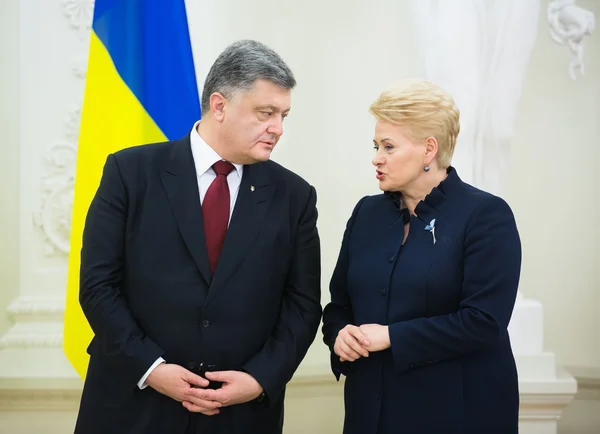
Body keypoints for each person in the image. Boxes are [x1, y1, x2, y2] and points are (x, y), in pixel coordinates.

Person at [74, 40, 322, 434]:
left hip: (240, 416)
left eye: (283, 115)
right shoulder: (129, 173)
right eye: (265, 113)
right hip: (132, 406)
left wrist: (260, 378)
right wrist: (152, 369)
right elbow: (97, 286)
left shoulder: (295, 197)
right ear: (219, 106)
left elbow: (303, 306)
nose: (277, 128)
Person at [322, 79, 522, 434]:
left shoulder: (486, 215)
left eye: (388, 147)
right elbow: (340, 307)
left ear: (429, 149)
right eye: (375, 145)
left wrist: (392, 336)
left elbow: (483, 321)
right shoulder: (366, 214)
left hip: (456, 413)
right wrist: (340, 336)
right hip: (370, 412)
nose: (376, 158)